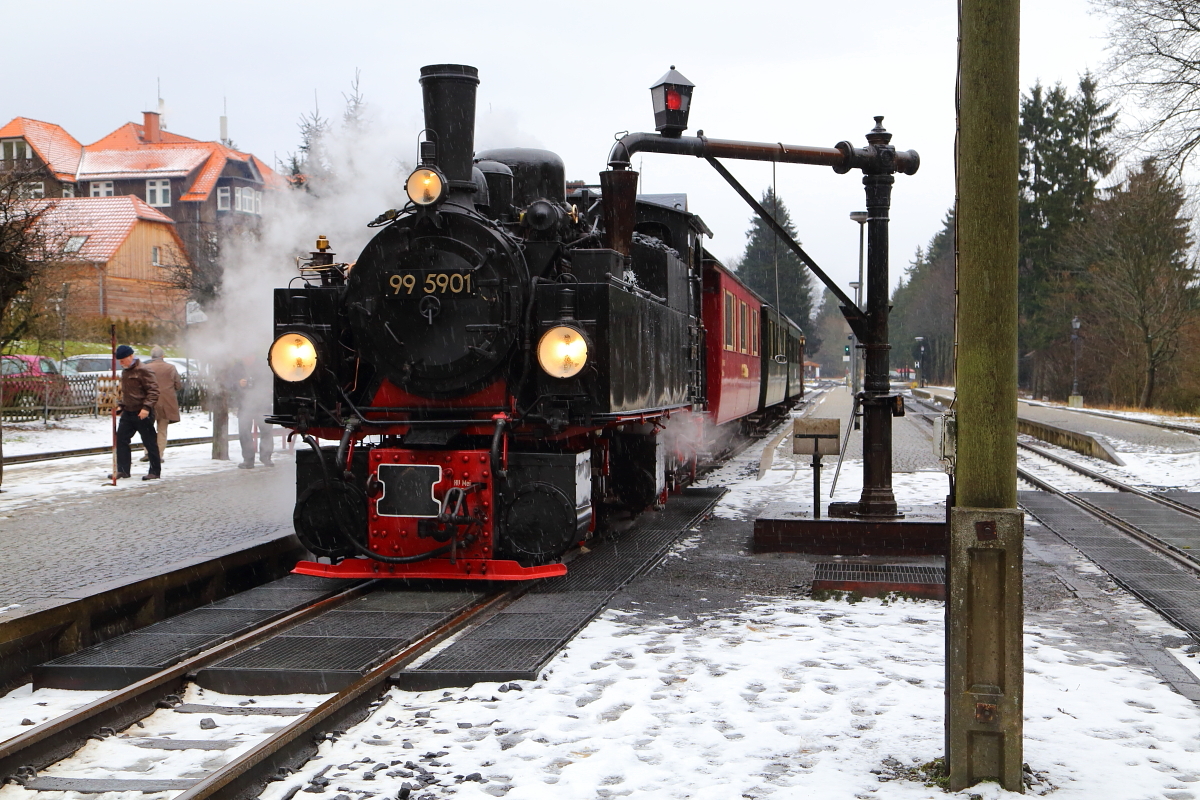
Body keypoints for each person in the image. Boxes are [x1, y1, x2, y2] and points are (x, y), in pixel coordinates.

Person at [109, 345, 161, 481]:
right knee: (120, 439)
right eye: (119, 361)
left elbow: (153, 391)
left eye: (123, 360)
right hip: (128, 412)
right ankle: (123, 470)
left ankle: (155, 471)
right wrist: (121, 406)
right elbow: (128, 393)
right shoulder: (125, 372)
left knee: (149, 442)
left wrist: (146, 408)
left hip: (142, 412)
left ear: (131, 356)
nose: (121, 363)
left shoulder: (143, 370)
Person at [230, 353, 273, 469]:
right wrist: (238, 383)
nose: (247, 359)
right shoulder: (237, 367)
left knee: (266, 430)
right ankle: (248, 460)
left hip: (262, 404)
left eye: (249, 356)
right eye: (245, 356)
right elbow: (230, 385)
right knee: (244, 433)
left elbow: (271, 381)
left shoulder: (264, 366)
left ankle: (266, 457)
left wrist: (267, 390)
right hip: (244, 404)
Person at [141, 346, 181, 465]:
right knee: (162, 429)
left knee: (148, 429)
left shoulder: (146, 368)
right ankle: (159, 454)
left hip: (150, 403)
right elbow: (178, 385)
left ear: (152, 356)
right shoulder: (171, 368)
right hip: (166, 403)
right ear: (162, 356)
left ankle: (148, 452)